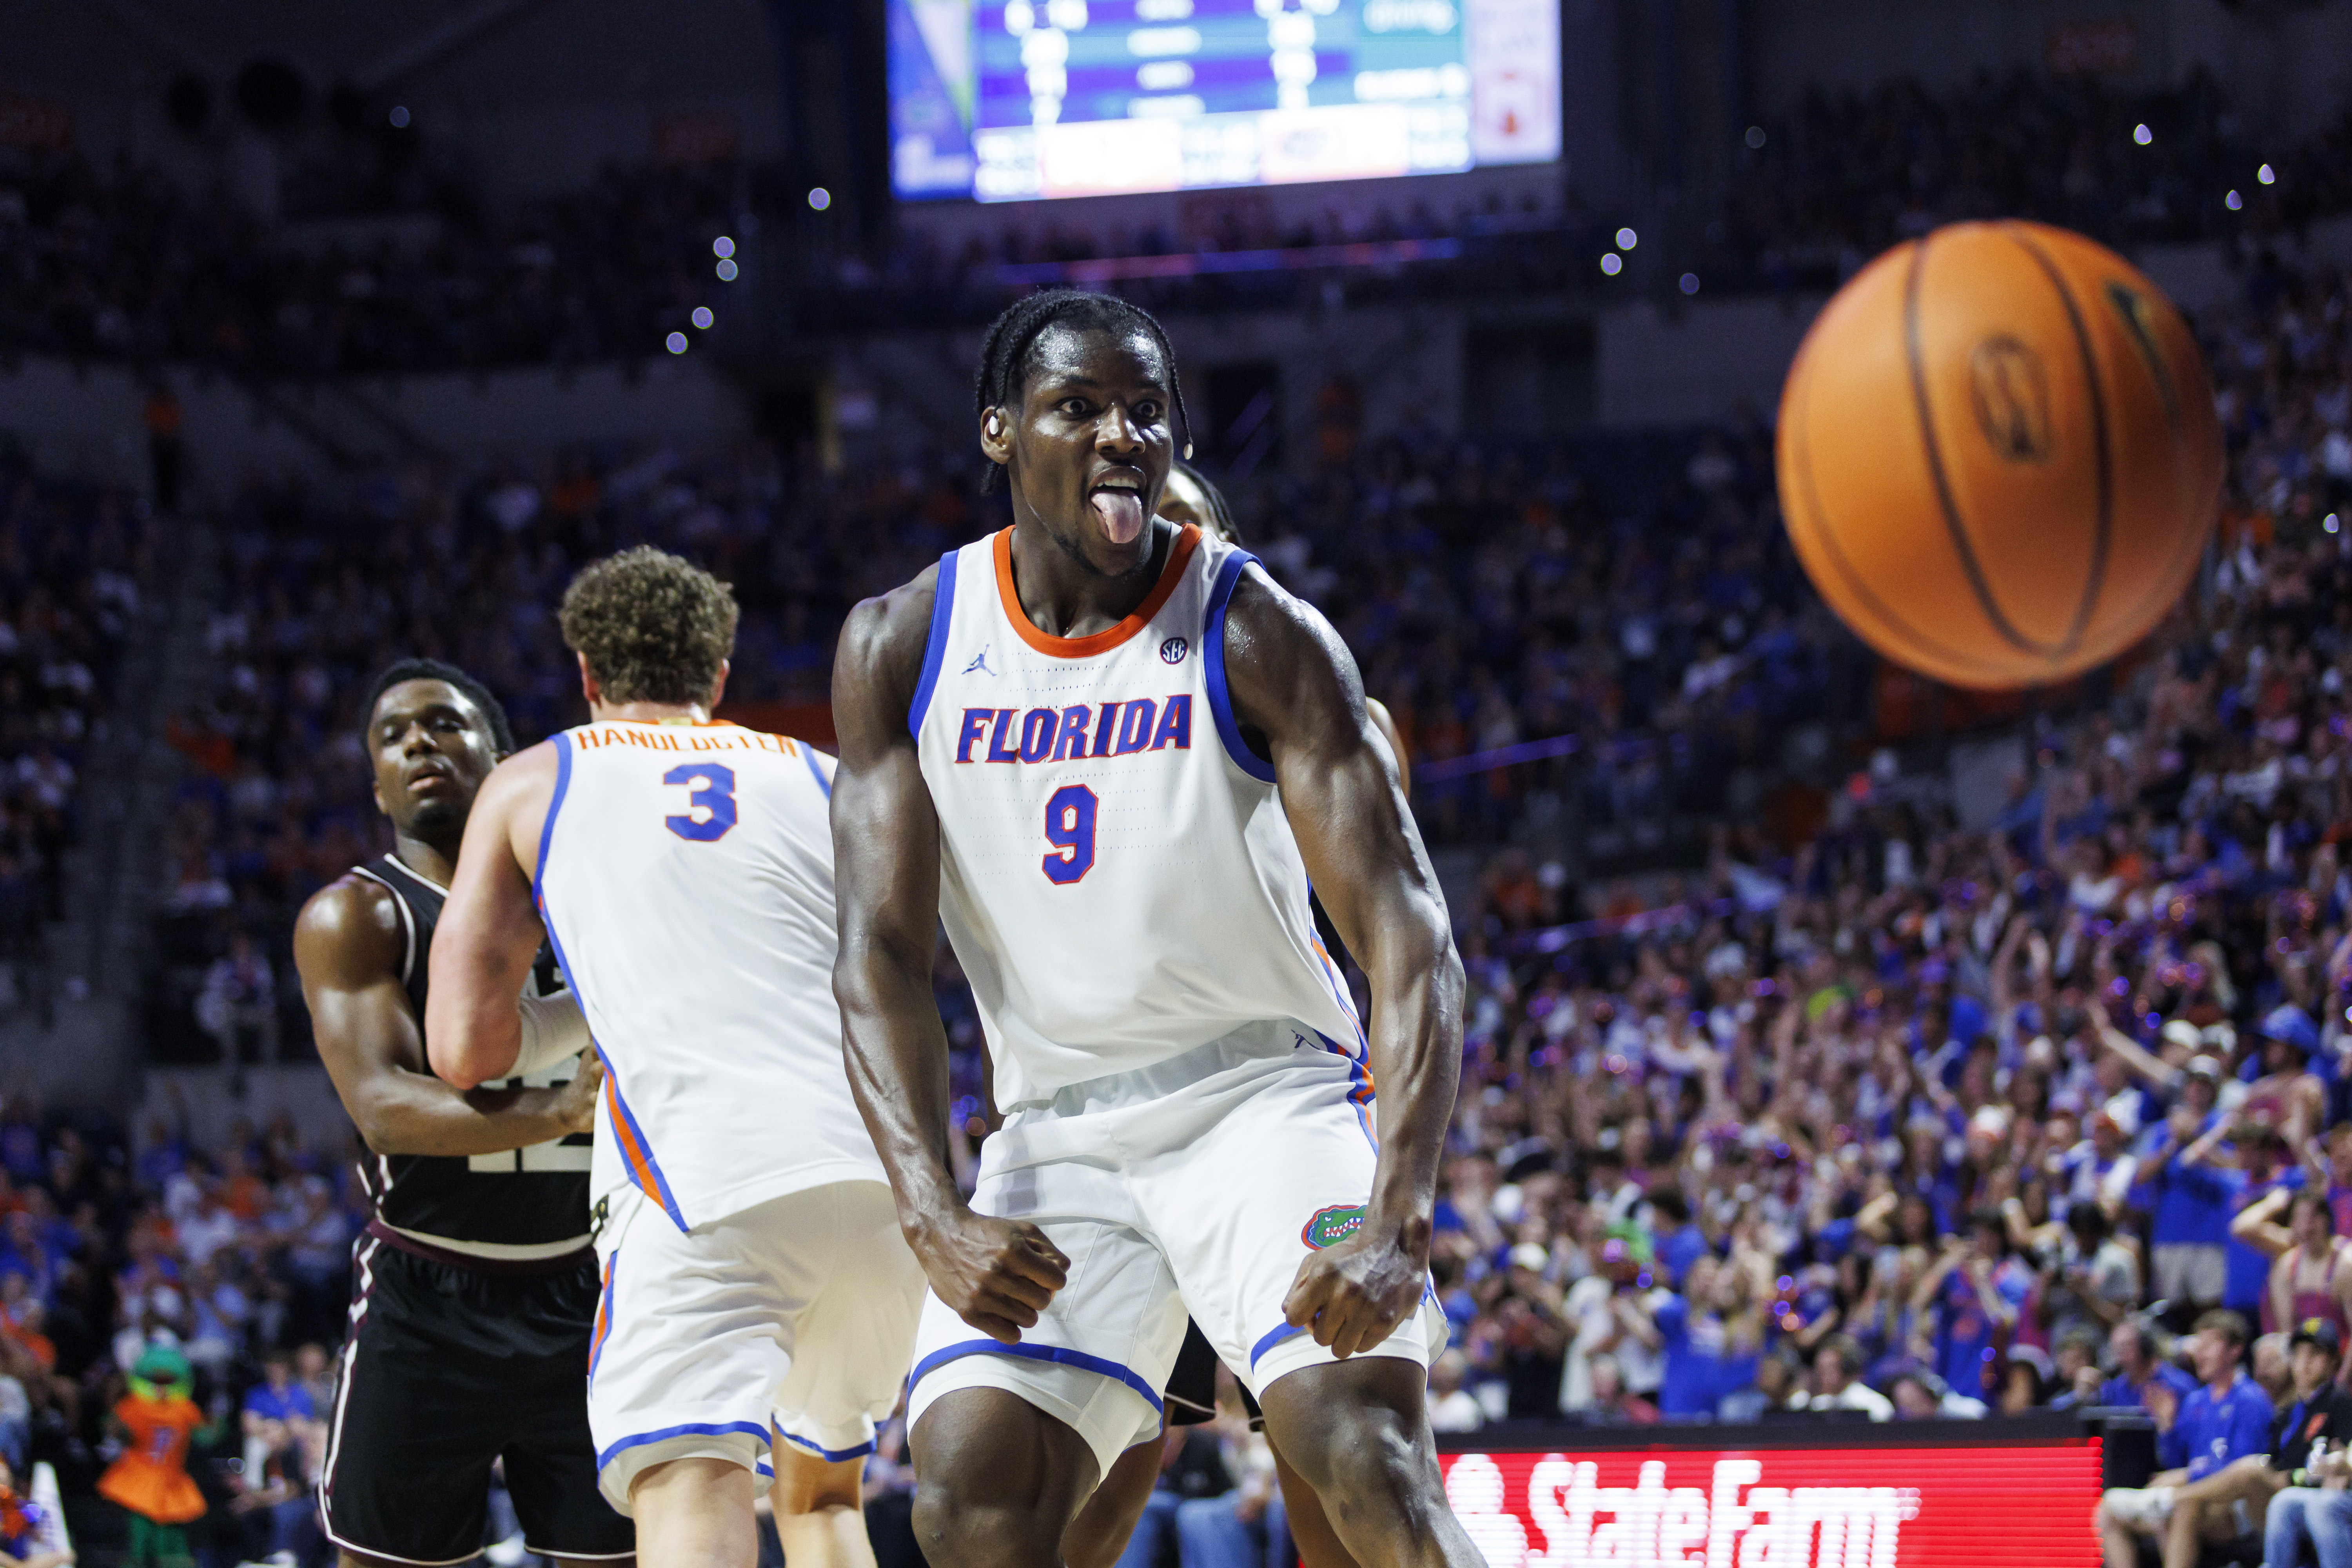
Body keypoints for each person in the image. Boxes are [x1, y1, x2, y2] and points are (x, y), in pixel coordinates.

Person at [829, 289, 1479, 1568]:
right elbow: (882, 960)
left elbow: (1413, 940)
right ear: (999, 432)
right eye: (1081, 407)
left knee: (1367, 1466)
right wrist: (933, 1213)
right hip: (1056, 1134)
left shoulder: (1260, 633)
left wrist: (1396, 1216)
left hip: (1261, 1106)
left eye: (1147, 410)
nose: (1124, 435)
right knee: (968, 1496)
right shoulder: (903, 646)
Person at [427, 548, 926, 1568]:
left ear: (585, 675)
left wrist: (581, 1020)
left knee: (691, 1484)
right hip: (882, 1178)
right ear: (721, 675)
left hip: (704, 1179)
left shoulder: (535, 779)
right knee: (824, 1498)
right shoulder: (827, 776)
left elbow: (465, 1048)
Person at [292, 659, 631, 1568]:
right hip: (429, 1294)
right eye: (394, 736)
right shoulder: (357, 915)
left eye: (444, 723)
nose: (419, 744)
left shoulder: (594, 896)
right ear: (376, 784)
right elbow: (387, 1110)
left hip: (588, 1286)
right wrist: (565, 1108)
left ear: (501, 754)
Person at [2147, 1318, 2352, 1568]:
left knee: (2249, 1471)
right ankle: (2175, 1500)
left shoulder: (2340, 1403)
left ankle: (2171, 1499)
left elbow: (2340, 1467)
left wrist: (2294, 1477)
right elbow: (2273, 1459)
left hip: (2303, 1496)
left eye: (2315, 1354)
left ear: (2333, 1361)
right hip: (2270, 1497)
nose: (2305, 1363)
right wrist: (2166, 1427)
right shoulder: (2290, 1412)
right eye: (2298, 1354)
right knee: (2188, 1509)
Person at [2096, 1310, 2275, 1568]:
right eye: (2198, 1345)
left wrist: (2186, 1478)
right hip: (2192, 1497)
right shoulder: (2195, 1401)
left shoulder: (2251, 1399)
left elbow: (2240, 1473)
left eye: (2210, 1345)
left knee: (2183, 1507)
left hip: (2233, 1507)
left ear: (2235, 1350)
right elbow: (2174, 1462)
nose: (2200, 1354)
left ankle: (2171, 1502)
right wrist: (2167, 1427)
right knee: (2108, 1508)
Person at [98, 1345, 211, 1568]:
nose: (161, 1388)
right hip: (139, 1477)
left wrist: (218, 1427)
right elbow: (116, 1430)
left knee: (170, 1539)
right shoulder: (134, 1406)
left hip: (171, 1480)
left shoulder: (185, 1408)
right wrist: (116, 1427)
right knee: (139, 1539)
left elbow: (204, 1435)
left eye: (168, 1381)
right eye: (156, 1381)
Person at [1799, 1334, 1892, 1420]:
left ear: (1848, 1369)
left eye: (1831, 1368)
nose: (1824, 1376)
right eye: (1821, 1369)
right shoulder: (1812, 1404)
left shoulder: (1873, 1404)